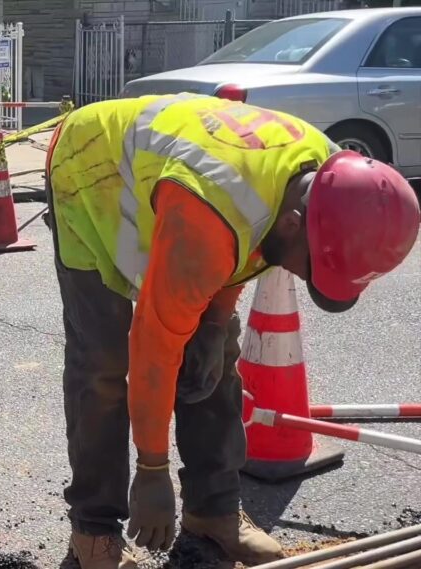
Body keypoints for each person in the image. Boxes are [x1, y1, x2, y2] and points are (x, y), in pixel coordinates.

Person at [43, 93, 420, 569]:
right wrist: (151, 469)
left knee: (214, 357)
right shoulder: (215, 213)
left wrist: (216, 321)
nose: (305, 280)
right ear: (293, 224)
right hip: (90, 168)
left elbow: (249, 250)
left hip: (186, 192)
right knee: (102, 362)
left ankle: (213, 511)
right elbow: (155, 346)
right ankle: (93, 531)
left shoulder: (330, 180)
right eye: (311, 269)